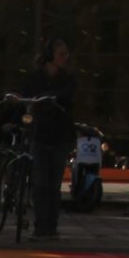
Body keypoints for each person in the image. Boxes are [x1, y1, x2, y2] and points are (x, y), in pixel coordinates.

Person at [20, 38, 75, 240]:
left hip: (59, 137)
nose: (64, 58)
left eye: (65, 54)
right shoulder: (35, 78)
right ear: (50, 56)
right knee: (40, 182)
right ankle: (40, 225)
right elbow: (26, 96)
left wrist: (52, 98)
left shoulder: (67, 78)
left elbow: (68, 96)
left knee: (54, 185)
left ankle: (51, 226)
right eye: (61, 54)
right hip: (40, 135)